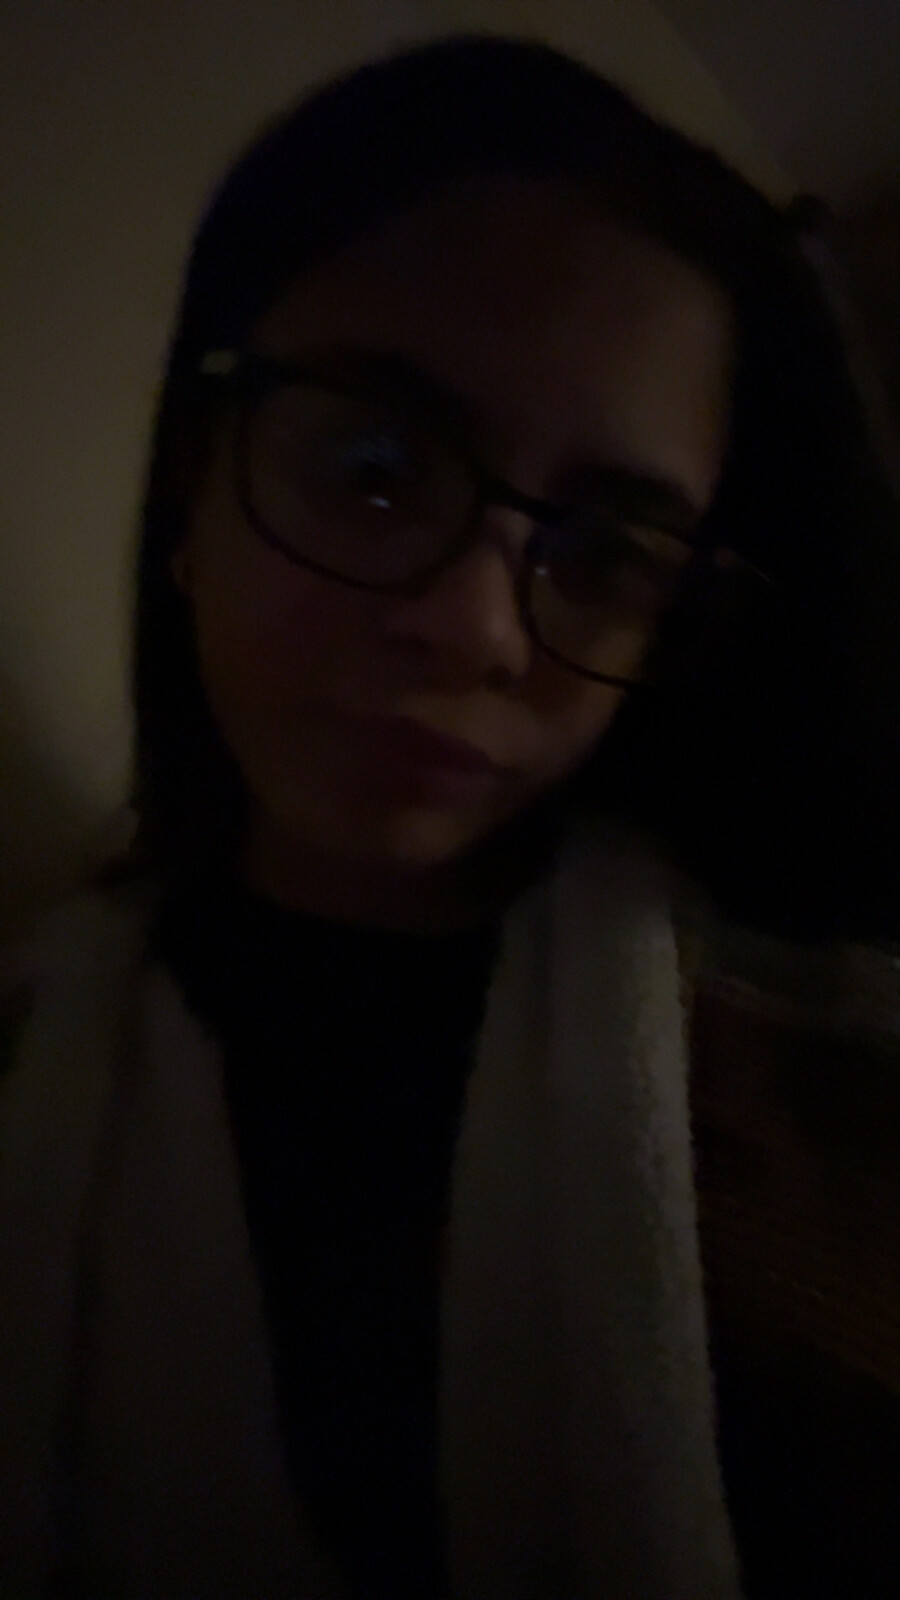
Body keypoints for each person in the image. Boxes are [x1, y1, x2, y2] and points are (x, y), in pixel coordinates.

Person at [1, 33, 899, 1600]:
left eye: (606, 555)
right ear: (194, 493)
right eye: (370, 467)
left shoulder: (822, 1080)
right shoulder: (22, 1067)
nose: (478, 629)